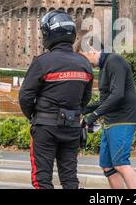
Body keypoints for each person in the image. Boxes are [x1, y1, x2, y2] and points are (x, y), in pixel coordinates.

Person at [19, 10, 93, 189]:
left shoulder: (42, 62)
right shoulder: (84, 64)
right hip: (72, 127)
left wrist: (34, 116)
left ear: (48, 34)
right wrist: (75, 113)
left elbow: (25, 96)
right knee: (69, 179)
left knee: (42, 179)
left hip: (46, 127)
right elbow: (86, 98)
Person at [80, 45, 136, 189]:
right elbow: (105, 100)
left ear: (91, 49)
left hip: (122, 120)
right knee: (107, 166)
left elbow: (117, 94)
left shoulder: (114, 60)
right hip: (110, 121)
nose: (85, 63)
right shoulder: (104, 67)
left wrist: (93, 116)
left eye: (83, 57)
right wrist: (83, 110)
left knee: (121, 163)